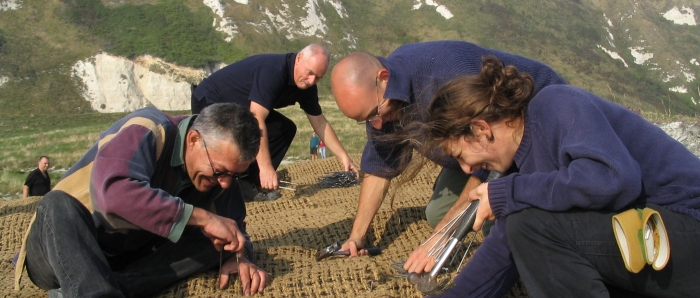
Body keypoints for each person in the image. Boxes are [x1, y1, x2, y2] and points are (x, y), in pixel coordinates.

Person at [413, 58, 700, 297]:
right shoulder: (520, 165)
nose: (466, 169)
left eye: (462, 155)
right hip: (650, 239)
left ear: (480, 129)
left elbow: (614, 179)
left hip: (685, 225)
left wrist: (508, 193)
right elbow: (503, 248)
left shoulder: (556, 104)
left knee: (528, 224)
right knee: (525, 225)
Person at [329, 40, 566, 257]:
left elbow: (490, 157)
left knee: (499, 224)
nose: (377, 124)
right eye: (366, 120)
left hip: (532, 132)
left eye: (375, 114)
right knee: (438, 214)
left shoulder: (444, 76)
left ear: (383, 77)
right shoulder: (385, 104)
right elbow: (380, 167)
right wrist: (356, 236)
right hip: (476, 151)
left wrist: (440, 238)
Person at [15, 103, 270, 297]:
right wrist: (201, 217)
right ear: (193, 140)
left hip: (125, 258)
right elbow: (114, 196)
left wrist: (239, 257)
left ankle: (104, 287)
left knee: (212, 245)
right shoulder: (148, 129)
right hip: (60, 246)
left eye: (236, 175)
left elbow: (236, 230)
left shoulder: (221, 176)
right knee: (57, 204)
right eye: (220, 171)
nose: (226, 182)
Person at [192, 44, 358, 202]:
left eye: (318, 77)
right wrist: (266, 168)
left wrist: (343, 157)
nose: (311, 80)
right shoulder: (273, 70)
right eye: (309, 72)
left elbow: (319, 122)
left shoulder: (307, 87)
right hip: (210, 100)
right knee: (231, 138)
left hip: (241, 109)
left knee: (285, 129)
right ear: (299, 58)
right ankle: (227, 184)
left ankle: (247, 182)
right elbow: (257, 117)